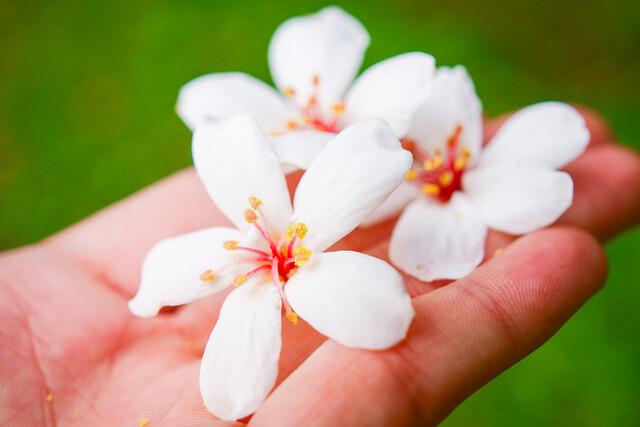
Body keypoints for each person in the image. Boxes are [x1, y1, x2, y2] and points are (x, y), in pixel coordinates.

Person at [1, 108, 638, 426]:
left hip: (310, 251)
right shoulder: (235, 261)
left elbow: (354, 185)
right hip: (267, 274)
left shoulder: (296, 233)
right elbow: (190, 277)